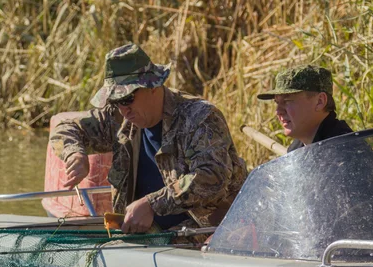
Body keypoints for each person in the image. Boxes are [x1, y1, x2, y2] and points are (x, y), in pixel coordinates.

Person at [50, 43, 247, 234]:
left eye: (127, 98)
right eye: (115, 100)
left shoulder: (200, 117)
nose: (123, 109)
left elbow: (212, 177)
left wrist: (153, 204)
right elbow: (66, 128)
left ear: (153, 85)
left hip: (204, 236)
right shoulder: (119, 116)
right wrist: (75, 154)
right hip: (140, 239)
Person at [257, 65, 352, 152]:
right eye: (277, 102)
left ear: (320, 101)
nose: (278, 111)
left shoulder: (345, 149)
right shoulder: (297, 149)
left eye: (287, 101)